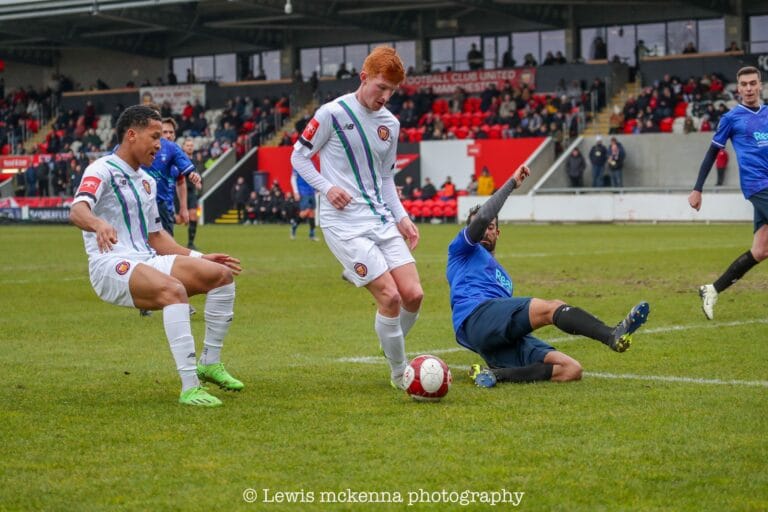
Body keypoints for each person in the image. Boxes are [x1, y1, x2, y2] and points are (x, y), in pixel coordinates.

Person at [69, 105, 243, 407]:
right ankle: (190, 386)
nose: (160, 146)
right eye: (155, 137)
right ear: (131, 135)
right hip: (110, 264)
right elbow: (78, 209)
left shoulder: (147, 181)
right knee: (173, 291)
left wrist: (201, 257)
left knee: (221, 276)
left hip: (147, 258)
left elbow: (157, 238)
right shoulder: (101, 169)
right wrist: (97, 223)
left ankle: (209, 363)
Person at [290, 46, 423, 389]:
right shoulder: (331, 113)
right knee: (390, 298)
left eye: (392, 91)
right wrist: (326, 187)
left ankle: (388, 340)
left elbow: (385, 178)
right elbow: (299, 156)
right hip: (343, 222)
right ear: (364, 78)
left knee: (413, 295)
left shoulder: (390, 124)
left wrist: (402, 217)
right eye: (381, 88)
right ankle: (400, 373)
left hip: (379, 218)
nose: (385, 97)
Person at [446, 166, 650, 387]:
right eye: (482, 226)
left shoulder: (504, 277)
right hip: (476, 316)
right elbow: (484, 215)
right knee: (551, 307)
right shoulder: (462, 250)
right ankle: (611, 335)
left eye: (491, 227)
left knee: (570, 369)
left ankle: (495, 374)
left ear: (498, 233)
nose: (486, 230)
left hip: (494, 337)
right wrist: (512, 184)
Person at [688, 66, 768, 320]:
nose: (748, 88)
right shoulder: (731, 118)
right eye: (744, 84)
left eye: (752, 83)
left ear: (760, 85)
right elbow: (712, 153)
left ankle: (712, 289)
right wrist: (697, 188)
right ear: (738, 89)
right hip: (757, 185)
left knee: (761, 250)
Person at [290, 168, 320, 241]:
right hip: (303, 192)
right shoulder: (297, 163)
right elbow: (293, 179)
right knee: (305, 212)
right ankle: (294, 227)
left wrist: (317, 188)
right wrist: (296, 192)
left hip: (311, 192)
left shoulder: (311, 163)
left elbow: (314, 177)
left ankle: (311, 235)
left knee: (312, 213)